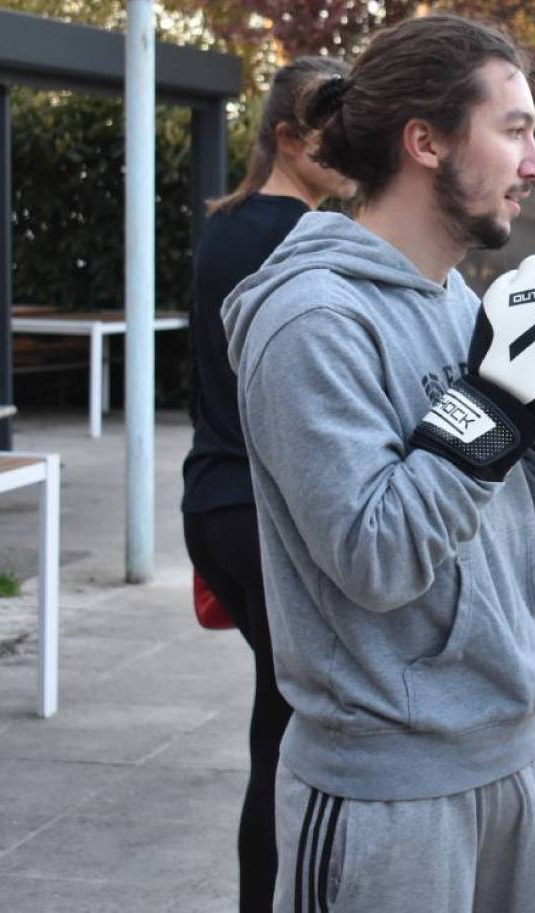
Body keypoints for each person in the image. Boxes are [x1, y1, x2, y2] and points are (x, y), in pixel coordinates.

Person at [220, 14, 535, 912]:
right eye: (515, 131)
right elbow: (376, 556)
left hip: (519, 754)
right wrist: (500, 403)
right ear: (424, 141)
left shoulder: (460, 304)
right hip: (387, 795)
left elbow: (503, 512)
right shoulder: (310, 321)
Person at [181, 54, 350, 913]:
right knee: (292, 733)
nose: (352, 144)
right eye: (334, 128)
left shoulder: (226, 224)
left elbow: (202, 383)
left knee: (275, 722)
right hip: (259, 511)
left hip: (215, 500)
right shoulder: (302, 238)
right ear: (288, 138)